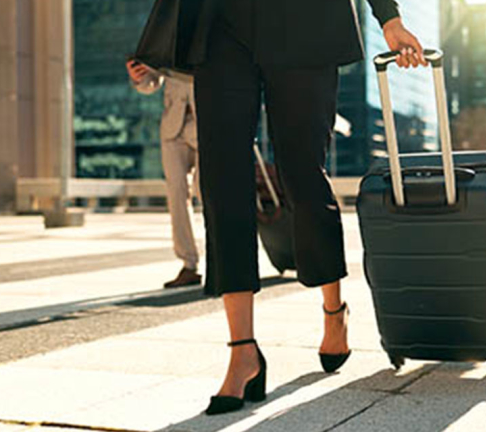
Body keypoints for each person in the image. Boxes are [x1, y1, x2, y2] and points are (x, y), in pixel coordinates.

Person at [152, 0, 427, 415]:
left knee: (302, 174)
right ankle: (242, 351)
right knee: (222, 180)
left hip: (305, 21)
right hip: (220, 22)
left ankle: (334, 309)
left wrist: (389, 18)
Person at [126, 60, 203, 289]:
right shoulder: (166, 32)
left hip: (208, 123)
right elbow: (151, 84)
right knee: (176, 196)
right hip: (173, 127)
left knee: (208, 192)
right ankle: (189, 265)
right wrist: (138, 77)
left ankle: (220, 259)